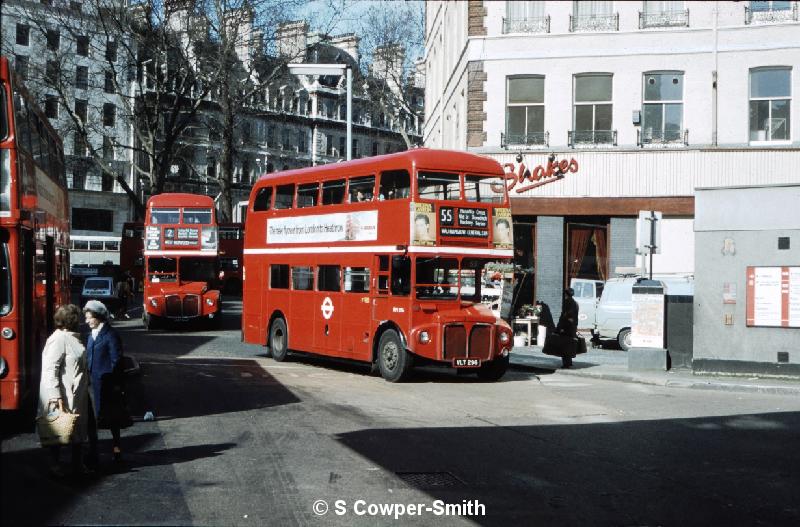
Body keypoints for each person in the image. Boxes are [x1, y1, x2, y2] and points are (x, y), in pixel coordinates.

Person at [38, 304, 90, 478]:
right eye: (77, 318)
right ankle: (55, 467)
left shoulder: (72, 337)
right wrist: (55, 397)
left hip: (77, 394)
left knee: (76, 430)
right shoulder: (58, 339)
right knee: (59, 430)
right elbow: (49, 370)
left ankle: (78, 465)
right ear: (72, 320)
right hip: (63, 396)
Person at [84, 300, 131, 466]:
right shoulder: (91, 335)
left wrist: (113, 381)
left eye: (89, 317)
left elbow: (116, 360)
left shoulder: (111, 335)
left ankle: (117, 450)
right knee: (93, 420)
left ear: (98, 317)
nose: (87, 321)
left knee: (112, 419)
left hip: (107, 384)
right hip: (92, 384)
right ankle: (93, 452)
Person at [557, 288, 580, 368]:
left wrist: (559, 327)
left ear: (566, 294)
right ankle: (569, 362)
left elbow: (564, 315)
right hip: (573, 326)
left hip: (566, 326)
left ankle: (566, 363)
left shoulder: (566, 302)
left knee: (564, 344)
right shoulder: (575, 303)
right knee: (570, 344)